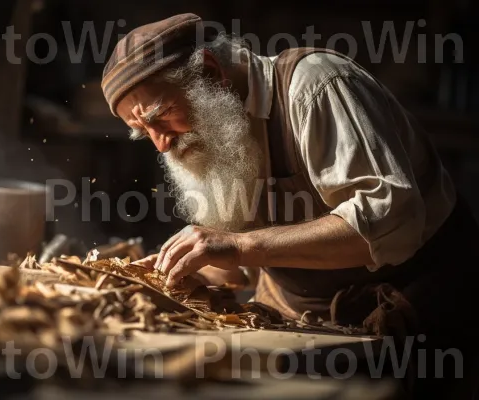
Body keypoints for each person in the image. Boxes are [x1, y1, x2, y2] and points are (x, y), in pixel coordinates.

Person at [101, 13, 479, 396]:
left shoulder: (318, 86)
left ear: (211, 75)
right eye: (141, 131)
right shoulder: (209, 134)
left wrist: (239, 247)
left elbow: (392, 221)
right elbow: (241, 264)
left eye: (161, 116)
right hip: (310, 322)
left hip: (421, 311)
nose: (160, 143)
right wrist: (191, 272)